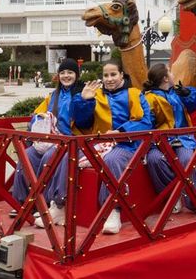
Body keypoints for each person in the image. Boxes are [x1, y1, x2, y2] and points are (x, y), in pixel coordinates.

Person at [36, 60, 152, 234]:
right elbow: (83, 122)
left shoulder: (134, 94)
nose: (109, 79)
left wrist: (121, 131)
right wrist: (85, 102)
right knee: (67, 152)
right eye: (106, 75)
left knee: (113, 160)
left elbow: (146, 122)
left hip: (127, 143)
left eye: (113, 74)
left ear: (121, 75)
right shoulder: (96, 94)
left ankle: (113, 211)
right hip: (97, 142)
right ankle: (59, 205)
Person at [11, 58, 81, 217]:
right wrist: (40, 118)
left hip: (72, 141)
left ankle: (46, 202)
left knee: (50, 158)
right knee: (27, 156)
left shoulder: (81, 93)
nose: (66, 75)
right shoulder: (53, 95)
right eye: (62, 72)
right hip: (51, 139)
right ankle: (23, 201)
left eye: (70, 72)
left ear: (77, 75)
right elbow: (36, 114)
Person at [142, 64, 196, 214]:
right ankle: (173, 197)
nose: (174, 75)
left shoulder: (179, 93)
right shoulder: (149, 98)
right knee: (155, 160)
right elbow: (146, 122)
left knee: (187, 160)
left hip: (183, 138)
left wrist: (187, 94)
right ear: (166, 78)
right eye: (170, 72)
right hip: (159, 142)